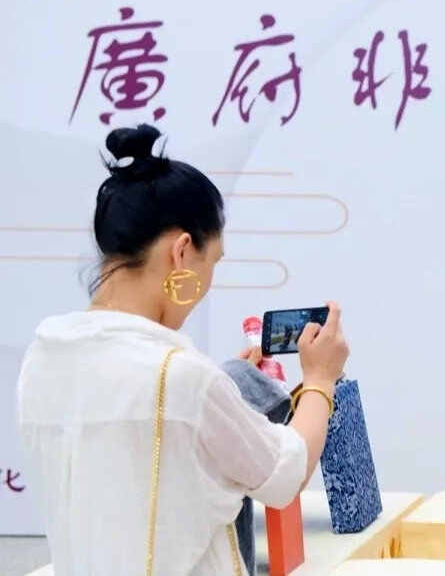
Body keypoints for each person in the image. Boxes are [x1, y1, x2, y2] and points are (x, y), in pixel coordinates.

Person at [16, 124, 349, 576]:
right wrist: (320, 379)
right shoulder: (183, 378)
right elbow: (284, 474)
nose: (208, 282)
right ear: (182, 252)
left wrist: (224, 393)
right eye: (212, 261)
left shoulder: (41, 360)